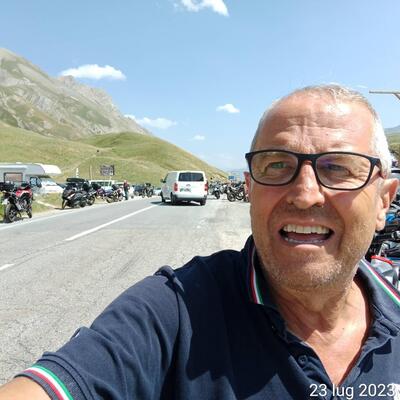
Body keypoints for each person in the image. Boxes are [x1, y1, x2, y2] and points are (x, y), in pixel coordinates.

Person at [1, 84, 400, 400]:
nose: (305, 194)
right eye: (276, 165)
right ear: (250, 188)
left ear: (384, 200)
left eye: (339, 168)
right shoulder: (175, 310)